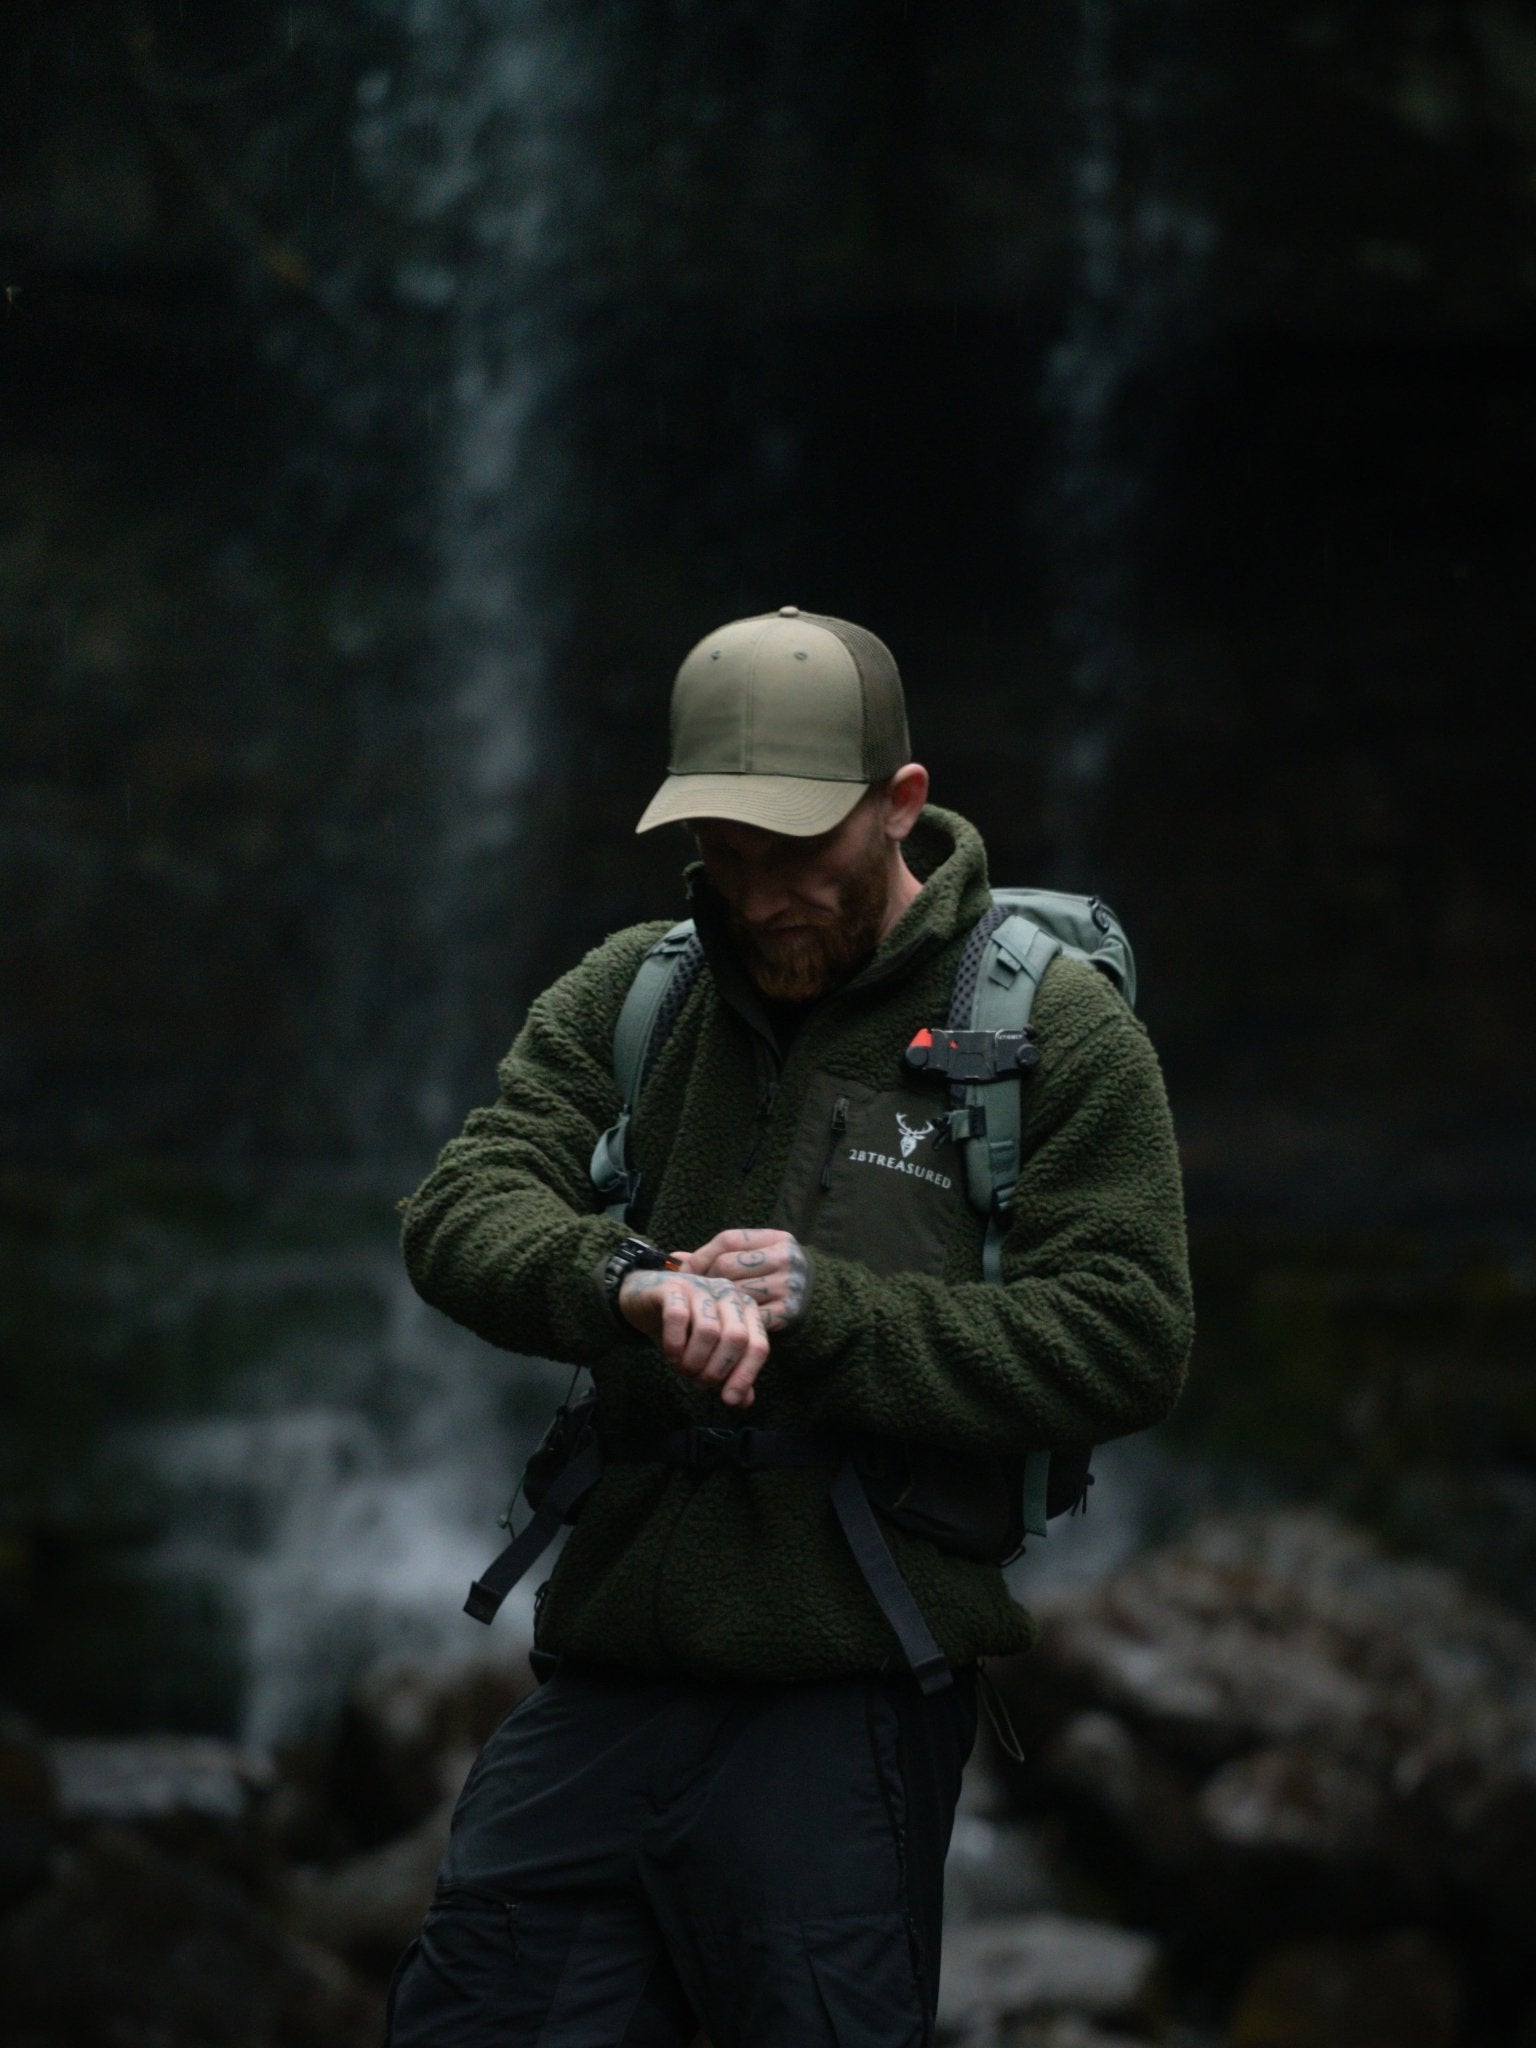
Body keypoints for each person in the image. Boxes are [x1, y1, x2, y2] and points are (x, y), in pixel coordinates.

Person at [387, 606, 1193, 2047]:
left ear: (899, 807)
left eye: (799, 858)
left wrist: (834, 1311)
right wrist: (625, 1283)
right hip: (605, 1686)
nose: (760, 901)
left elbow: (1130, 1332)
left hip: (845, 1709)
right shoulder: (640, 994)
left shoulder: (1051, 1035)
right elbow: (458, 1214)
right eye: (727, 858)